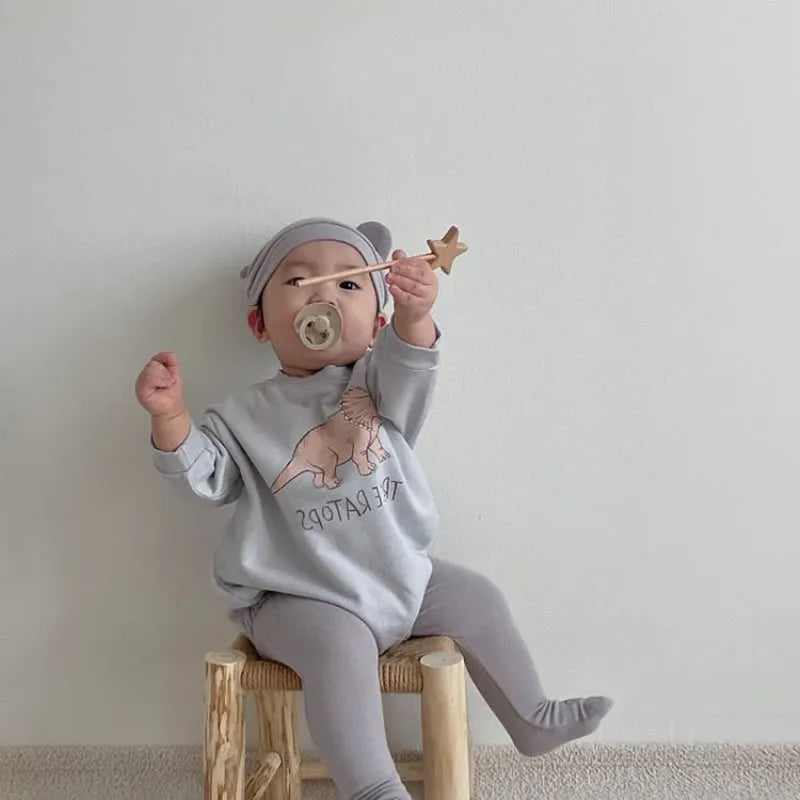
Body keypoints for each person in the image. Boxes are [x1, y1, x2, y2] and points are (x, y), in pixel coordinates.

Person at [134, 218, 613, 800]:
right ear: (259, 323)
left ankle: (531, 717)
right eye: (299, 281)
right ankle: (373, 788)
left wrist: (415, 316)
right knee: (339, 649)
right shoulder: (242, 415)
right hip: (295, 595)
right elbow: (205, 479)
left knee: (478, 597)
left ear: (376, 324)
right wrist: (171, 418)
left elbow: (412, 363)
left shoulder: (378, 386)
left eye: (348, 284)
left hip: (397, 575)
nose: (324, 295)